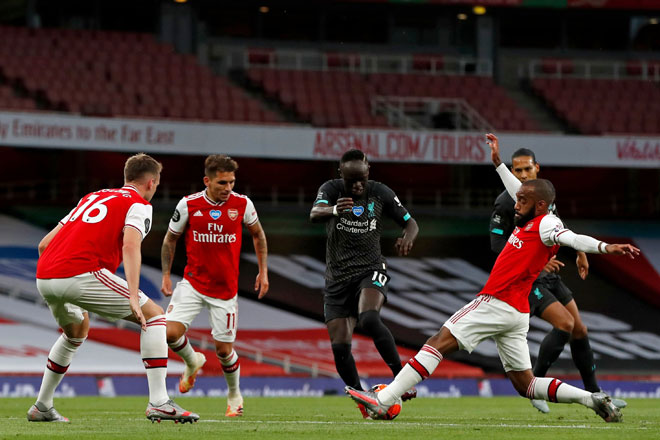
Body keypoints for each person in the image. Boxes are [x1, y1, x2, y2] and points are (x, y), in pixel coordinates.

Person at [347, 175, 639, 423]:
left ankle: (384, 400)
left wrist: (605, 247)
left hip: (497, 301)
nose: (516, 203)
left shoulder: (547, 223)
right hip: (516, 312)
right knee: (526, 384)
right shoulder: (530, 218)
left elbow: (572, 238)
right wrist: (499, 164)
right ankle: (592, 399)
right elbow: (518, 189)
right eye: (517, 198)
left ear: (539, 205)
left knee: (438, 341)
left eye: (522, 201)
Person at [28, 153, 198, 424]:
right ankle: (159, 402)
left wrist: (57, 279)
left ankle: (43, 406)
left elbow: (44, 244)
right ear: (151, 183)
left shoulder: (91, 197)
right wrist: (132, 293)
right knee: (154, 315)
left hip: (45, 274)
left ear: (126, 177)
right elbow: (130, 245)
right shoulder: (139, 204)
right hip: (79, 272)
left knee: (76, 332)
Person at [486, 133, 626, 413]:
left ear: (538, 168)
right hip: (526, 277)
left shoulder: (543, 197)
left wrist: (580, 252)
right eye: (518, 170)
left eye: (528, 168)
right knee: (564, 324)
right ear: (512, 172)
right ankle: (534, 386)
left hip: (549, 273)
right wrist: (531, 260)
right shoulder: (507, 201)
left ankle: (596, 393)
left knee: (580, 329)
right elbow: (497, 244)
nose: (524, 174)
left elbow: (558, 230)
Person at [310, 149, 419, 418]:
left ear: (368, 172)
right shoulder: (331, 189)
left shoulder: (380, 192)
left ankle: (401, 380)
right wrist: (335, 208)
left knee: (369, 318)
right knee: (340, 344)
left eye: (362, 179)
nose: (357, 186)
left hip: (371, 268)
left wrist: (408, 236)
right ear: (341, 175)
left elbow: (411, 222)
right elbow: (314, 213)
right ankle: (362, 399)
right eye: (351, 181)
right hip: (337, 277)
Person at [161, 154, 268, 418]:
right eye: (222, 182)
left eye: (232, 182)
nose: (228, 188)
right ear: (207, 181)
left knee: (223, 351)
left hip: (225, 291)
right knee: (168, 333)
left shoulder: (242, 204)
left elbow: (258, 235)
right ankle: (192, 360)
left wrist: (263, 272)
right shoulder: (189, 205)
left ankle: (234, 395)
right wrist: (165, 274)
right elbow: (169, 240)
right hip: (193, 283)